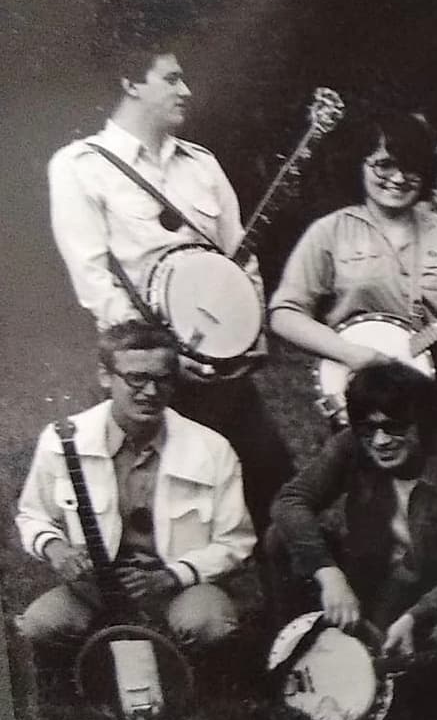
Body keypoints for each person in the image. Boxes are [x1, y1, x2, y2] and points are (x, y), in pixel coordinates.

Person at [47, 47, 294, 534]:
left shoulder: (202, 164)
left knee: (273, 483)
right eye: (172, 79)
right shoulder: (80, 168)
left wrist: (249, 340)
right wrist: (159, 358)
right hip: (146, 370)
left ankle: (292, 592)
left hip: (223, 364)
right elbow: (95, 280)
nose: (186, 91)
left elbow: (241, 259)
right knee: (148, 504)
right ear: (130, 83)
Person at [14, 322, 253, 654]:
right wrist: (58, 550)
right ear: (105, 377)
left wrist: (171, 576)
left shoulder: (212, 449)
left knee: (210, 626)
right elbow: (32, 516)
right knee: (39, 627)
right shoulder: (62, 439)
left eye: (162, 379)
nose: (151, 392)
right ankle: (97, 657)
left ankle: (174, 660)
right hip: (93, 586)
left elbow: (235, 542)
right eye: (136, 378)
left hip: (175, 586)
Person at [269, 110, 437, 443]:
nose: (399, 178)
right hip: (363, 397)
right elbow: (285, 315)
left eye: (411, 166)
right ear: (360, 164)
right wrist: (351, 354)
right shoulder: (330, 231)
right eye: (384, 164)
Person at [268, 362, 437, 660]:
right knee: (281, 537)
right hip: (376, 575)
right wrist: (328, 573)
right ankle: (293, 654)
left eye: (394, 427)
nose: (380, 441)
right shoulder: (351, 446)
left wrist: (415, 616)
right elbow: (291, 500)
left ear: (424, 422)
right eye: (368, 429)